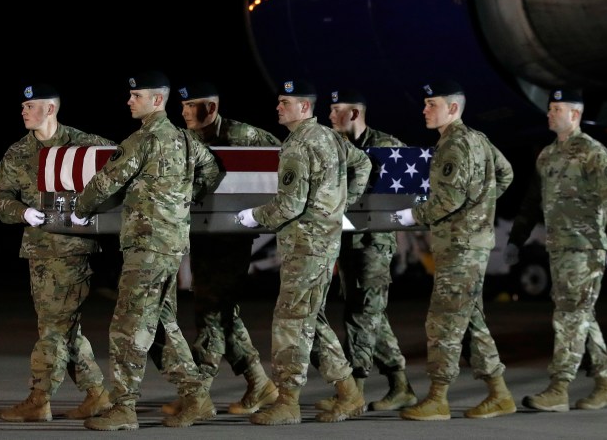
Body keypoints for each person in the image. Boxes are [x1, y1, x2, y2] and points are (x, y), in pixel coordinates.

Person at [70, 71, 222, 430]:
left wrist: (79, 210)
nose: (129, 101)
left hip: (147, 247)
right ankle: (197, 397)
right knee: (163, 324)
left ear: (157, 100)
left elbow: (107, 181)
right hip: (171, 246)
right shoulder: (186, 141)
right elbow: (213, 171)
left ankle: (124, 407)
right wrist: (183, 202)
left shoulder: (143, 140)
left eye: (136, 96)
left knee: (128, 324)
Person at [236, 79, 372, 425]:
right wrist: (341, 204)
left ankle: (288, 401)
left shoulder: (298, 146)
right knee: (313, 318)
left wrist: (254, 216)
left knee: (290, 321)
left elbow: (288, 206)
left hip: (305, 245)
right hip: (322, 242)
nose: (279, 107)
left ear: (305, 107)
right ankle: (349, 394)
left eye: (286, 102)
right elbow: (364, 164)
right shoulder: (331, 137)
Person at [0, 83, 115, 422]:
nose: (23, 110)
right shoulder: (18, 153)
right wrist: (21, 212)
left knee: (53, 328)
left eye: (30, 105)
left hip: (73, 250)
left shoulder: (86, 146)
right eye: (23, 105)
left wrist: (97, 210)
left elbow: (120, 173)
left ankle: (39, 397)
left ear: (50, 109)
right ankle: (96, 395)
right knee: (63, 326)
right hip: (38, 251)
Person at [394, 79, 516, 420]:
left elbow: (449, 198)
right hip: (469, 245)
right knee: (471, 321)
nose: (424, 109)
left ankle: (438, 398)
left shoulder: (455, 144)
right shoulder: (478, 139)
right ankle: (500, 394)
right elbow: (505, 174)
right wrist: (482, 205)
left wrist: (412, 215)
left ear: (453, 108)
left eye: (432, 104)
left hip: (460, 248)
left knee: (443, 322)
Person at [504, 88, 607, 412]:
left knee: (569, 316)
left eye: (557, 108)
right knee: (580, 316)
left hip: (586, 248)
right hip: (559, 249)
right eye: (549, 108)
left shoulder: (592, 151)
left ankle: (559, 387)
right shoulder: (546, 155)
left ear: (574, 115)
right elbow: (532, 201)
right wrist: (516, 239)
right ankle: (605, 383)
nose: (549, 113)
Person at [160, 81, 281, 417]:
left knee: (212, 312)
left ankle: (198, 392)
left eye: (191, 106)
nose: (184, 113)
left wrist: (263, 215)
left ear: (211, 109)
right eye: (182, 107)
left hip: (232, 238)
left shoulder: (246, 136)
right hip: (202, 235)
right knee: (218, 310)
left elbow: (280, 165)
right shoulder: (185, 138)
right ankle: (259, 382)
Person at [311, 88, 417, 412]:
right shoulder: (333, 146)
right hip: (345, 243)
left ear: (354, 113)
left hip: (374, 245)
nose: (330, 115)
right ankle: (401, 385)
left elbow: (410, 190)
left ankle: (354, 389)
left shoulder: (388, 147)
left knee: (360, 314)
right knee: (371, 314)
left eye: (336, 109)